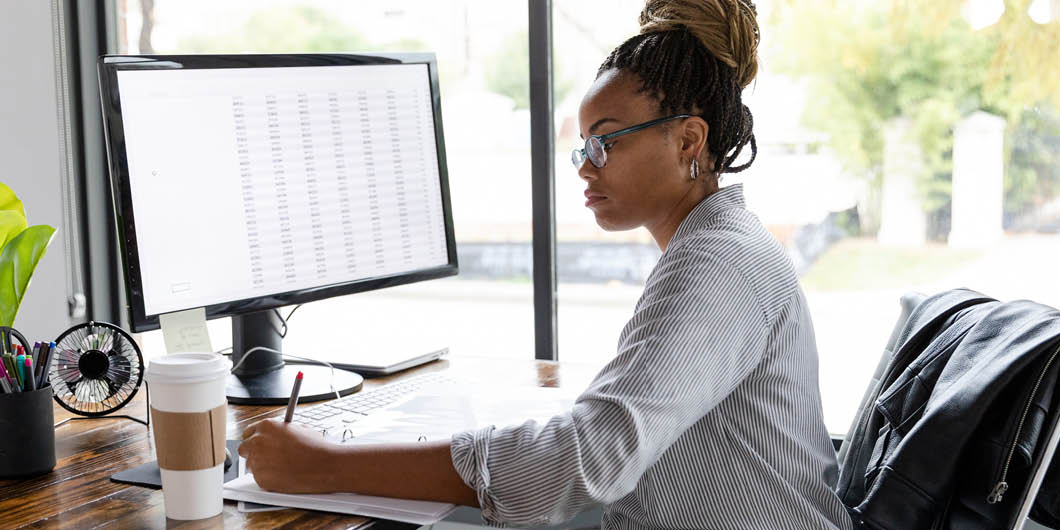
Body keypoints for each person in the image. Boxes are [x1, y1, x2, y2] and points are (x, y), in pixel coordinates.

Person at [239, 1, 855, 528]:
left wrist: (324, 465)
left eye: (605, 141)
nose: (586, 166)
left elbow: (582, 460)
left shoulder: (721, 261)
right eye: (582, 146)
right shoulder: (713, 241)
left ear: (688, 141)